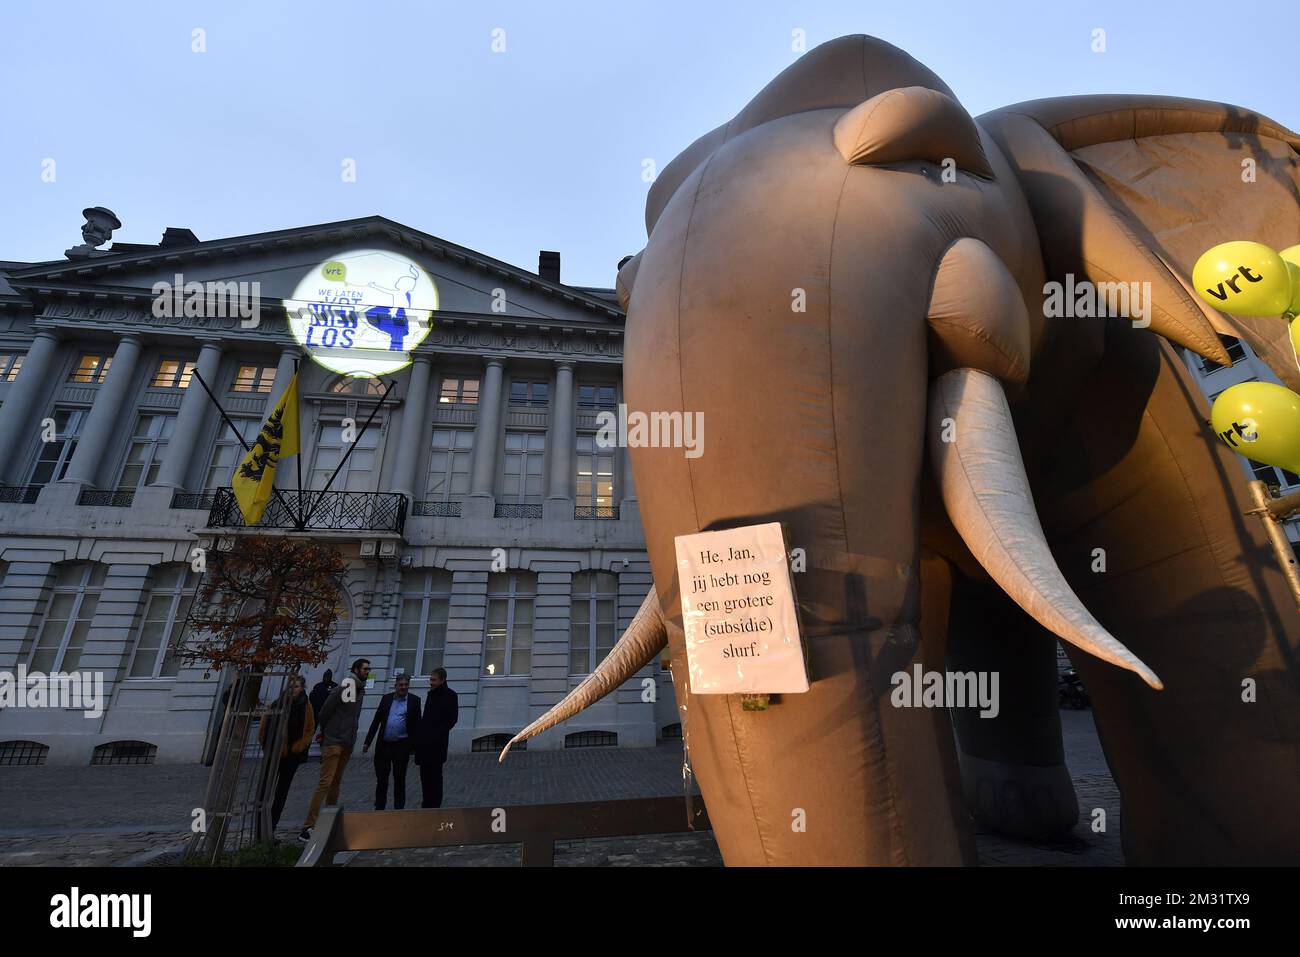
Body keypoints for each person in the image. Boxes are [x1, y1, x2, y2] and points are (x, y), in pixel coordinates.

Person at [299, 658, 369, 843]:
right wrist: (329, 732)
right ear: (356, 669)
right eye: (365, 669)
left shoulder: (359, 688)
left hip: (346, 742)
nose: (367, 672)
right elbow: (325, 711)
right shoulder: (348, 686)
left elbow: (349, 715)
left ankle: (329, 820)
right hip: (334, 742)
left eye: (368, 669)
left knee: (335, 782)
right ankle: (308, 826)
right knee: (325, 782)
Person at [258, 675, 315, 832]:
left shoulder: (306, 706)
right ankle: (259, 830)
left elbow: (310, 729)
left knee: (281, 793)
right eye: (290, 687)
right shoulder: (277, 704)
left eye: (296, 687)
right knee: (263, 793)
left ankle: (271, 828)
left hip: (292, 755)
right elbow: (264, 726)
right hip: (274, 753)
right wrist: (266, 746)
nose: (293, 690)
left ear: (302, 688)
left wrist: (299, 746)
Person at [363, 673, 421, 810]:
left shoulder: (414, 701)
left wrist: (415, 746)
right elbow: (376, 721)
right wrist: (368, 741)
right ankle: (379, 807)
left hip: (401, 746)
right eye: (401, 685)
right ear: (395, 686)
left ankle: (399, 808)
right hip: (384, 746)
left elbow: (417, 724)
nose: (403, 687)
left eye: (406, 685)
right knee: (382, 780)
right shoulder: (386, 699)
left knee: (399, 779)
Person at [414, 668, 458, 808]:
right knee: (425, 776)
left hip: (437, 744)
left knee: (435, 776)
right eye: (430, 679)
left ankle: (434, 804)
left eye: (434, 680)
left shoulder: (450, 695)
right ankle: (427, 803)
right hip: (425, 743)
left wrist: (436, 734)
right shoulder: (432, 694)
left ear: (442, 680)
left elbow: (451, 720)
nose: (430, 682)